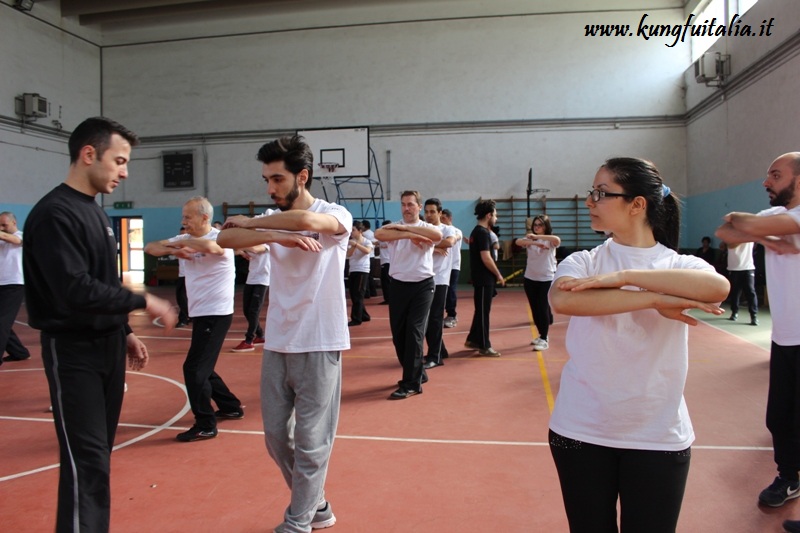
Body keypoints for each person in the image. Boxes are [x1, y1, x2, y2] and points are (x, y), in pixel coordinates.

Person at [548, 157, 729, 533]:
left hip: (657, 433)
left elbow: (718, 288)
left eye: (600, 193)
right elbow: (565, 301)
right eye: (591, 192)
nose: (589, 201)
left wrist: (628, 278)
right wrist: (655, 298)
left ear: (637, 204)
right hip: (581, 429)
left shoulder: (679, 265)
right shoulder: (584, 260)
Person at [22, 116, 177, 532]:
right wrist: (142, 300)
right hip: (74, 354)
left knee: (98, 460)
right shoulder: (54, 214)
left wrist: (124, 331)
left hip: (107, 347)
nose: (125, 172)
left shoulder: (92, 211)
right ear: (88, 154)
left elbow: (102, 280)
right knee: (86, 463)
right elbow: (74, 289)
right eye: (120, 160)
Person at [217, 134, 352, 533]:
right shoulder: (274, 223)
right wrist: (275, 235)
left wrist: (257, 223)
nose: (270, 188)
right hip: (278, 341)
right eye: (266, 180)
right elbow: (225, 237)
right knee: (276, 437)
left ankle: (298, 522)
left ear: (302, 177)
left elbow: (310, 222)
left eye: (277, 179)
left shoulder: (335, 213)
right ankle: (319, 505)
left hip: (321, 340)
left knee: (312, 442)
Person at [714, 152, 800, 520]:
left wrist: (751, 227)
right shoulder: (775, 220)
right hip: (784, 336)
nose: (766, 182)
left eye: (776, 176)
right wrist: (765, 236)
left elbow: (738, 223)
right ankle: (789, 477)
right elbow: (726, 233)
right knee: (780, 416)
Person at [144, 196, 244, 442]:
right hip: (201, 313)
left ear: (204, 218)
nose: (183, 221)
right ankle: (230, 406)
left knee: (193, 368)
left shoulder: (219, 237)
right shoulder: (183, 239)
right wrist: (175, 247)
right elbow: (151, 247)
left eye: (187, 217)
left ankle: (205, 423)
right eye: (183, 217)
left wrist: (186, 244)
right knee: (203, 366)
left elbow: (213, 248)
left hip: (216, 313)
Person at [375, 191, 442, 400]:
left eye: (411, 204)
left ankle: (411, 383)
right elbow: (379, 234)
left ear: (419, 207)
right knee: (399, 336)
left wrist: (406, 229)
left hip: (423, 286)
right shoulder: (394, 227)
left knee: (414, 331)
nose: (407, 208)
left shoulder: (428, 228)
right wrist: (407, 233)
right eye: (403, 204)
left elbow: (438, 237)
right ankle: (418, 373)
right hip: (398, 286)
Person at [465, 200, 506, 357]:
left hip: (483, 279)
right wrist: (498, 274)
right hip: (483, 279)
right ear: (489, 215)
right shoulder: (482, 233)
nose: (496, 218)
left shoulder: (478, 232)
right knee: (483, 313)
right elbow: (486, 257)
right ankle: (484, 345)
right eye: (495, 215)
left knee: (481, 311)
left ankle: (473, 340)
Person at [515, 214, 560, 351]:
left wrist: (540, 238)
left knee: (542, 307)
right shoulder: (530, 238)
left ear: (546, 226)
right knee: (534, 309)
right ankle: (541, 335)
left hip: (545, 278)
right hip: (530, 278)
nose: (537, 227)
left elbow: (557, 240)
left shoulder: (550, 240)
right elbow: (518, 242)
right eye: (535, 225)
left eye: (540, 225)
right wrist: (535, 241)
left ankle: (545, 337)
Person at [422, 198, 456, 369]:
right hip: (423, 278)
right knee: (425, 320)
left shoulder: (447, 228)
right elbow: (416, 243)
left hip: (440, 279)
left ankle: (435, 357)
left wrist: (426, 243)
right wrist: (434, 247)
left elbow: (449, 242)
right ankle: (440, 350)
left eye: (432, 212)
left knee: (435, 319)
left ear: (440, 213)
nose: (428, 215)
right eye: (426, 212)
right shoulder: (422, 228)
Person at [0, 211, 31, 363]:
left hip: (14, 284)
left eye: (4, 225)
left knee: (2, 322)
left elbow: (11, 239)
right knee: (3, 322)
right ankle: (19, 352)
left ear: (13, 223)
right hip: (0, 283)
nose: (2, 228)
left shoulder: (22, 236)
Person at [232, 232, 270, 351]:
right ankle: (260, 335)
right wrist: (241, 251)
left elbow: (254, 249)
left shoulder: (267, 244)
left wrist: (241, 245)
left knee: (254, 311)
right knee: (246, 310)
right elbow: (236, 250)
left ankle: (249, 340)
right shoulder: (251, 245)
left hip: (262, 280)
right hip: (251, 279)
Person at [725, 240, 758, 325]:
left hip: (748, 267)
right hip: (734, 268)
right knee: (735, 292)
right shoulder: (730, 235)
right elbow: (728, 244)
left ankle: (753, 316)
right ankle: (734, 312)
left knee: (750, 291)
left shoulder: (750, 234)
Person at [347, 221, 373, 326]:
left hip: (362, 270)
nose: (351, 232)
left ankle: (356, 318)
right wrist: (353, 245)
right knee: (353, 294)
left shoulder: (367, 241)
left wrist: (356, 244)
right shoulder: (350, 242)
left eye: (353, 230)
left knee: (358, 294)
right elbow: (348, 254)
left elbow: (367, 251)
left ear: (360, 231)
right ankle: (364, 315)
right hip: (353, 270)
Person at [441, 208, 462, 329]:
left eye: (444, 218)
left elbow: (456, 237)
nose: (442, 220)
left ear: (450, 218)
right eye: (441, 218)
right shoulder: (439, 230)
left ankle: (452, 315)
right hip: (441, 266)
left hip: (453, 266)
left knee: (450, 290)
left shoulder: (456, 231)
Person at [175, 226, 191, 327]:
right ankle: (186, 317)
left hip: (192, 275)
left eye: (184, 235)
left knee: (186, 297)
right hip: (182, 275)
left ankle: (184, 318)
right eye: (181, 235)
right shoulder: (177, 245)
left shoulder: (193, 245)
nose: (182, 236)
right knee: (181, 297)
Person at [376, 219, 393, 305]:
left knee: (387, 281)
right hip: (385, 262)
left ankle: (389, 299)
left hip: (389, 261)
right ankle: (388, 298)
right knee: (385, 281)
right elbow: (376, 242)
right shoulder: (381, 237)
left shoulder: (392, 237)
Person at [361, 219, 378, 298]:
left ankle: (367, 293)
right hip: (373, 256)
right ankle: (373, 292)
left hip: (367, 257)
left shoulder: (363, 234)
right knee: (371, 276)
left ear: (364, 226)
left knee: (367, 276)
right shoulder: (372, 233)